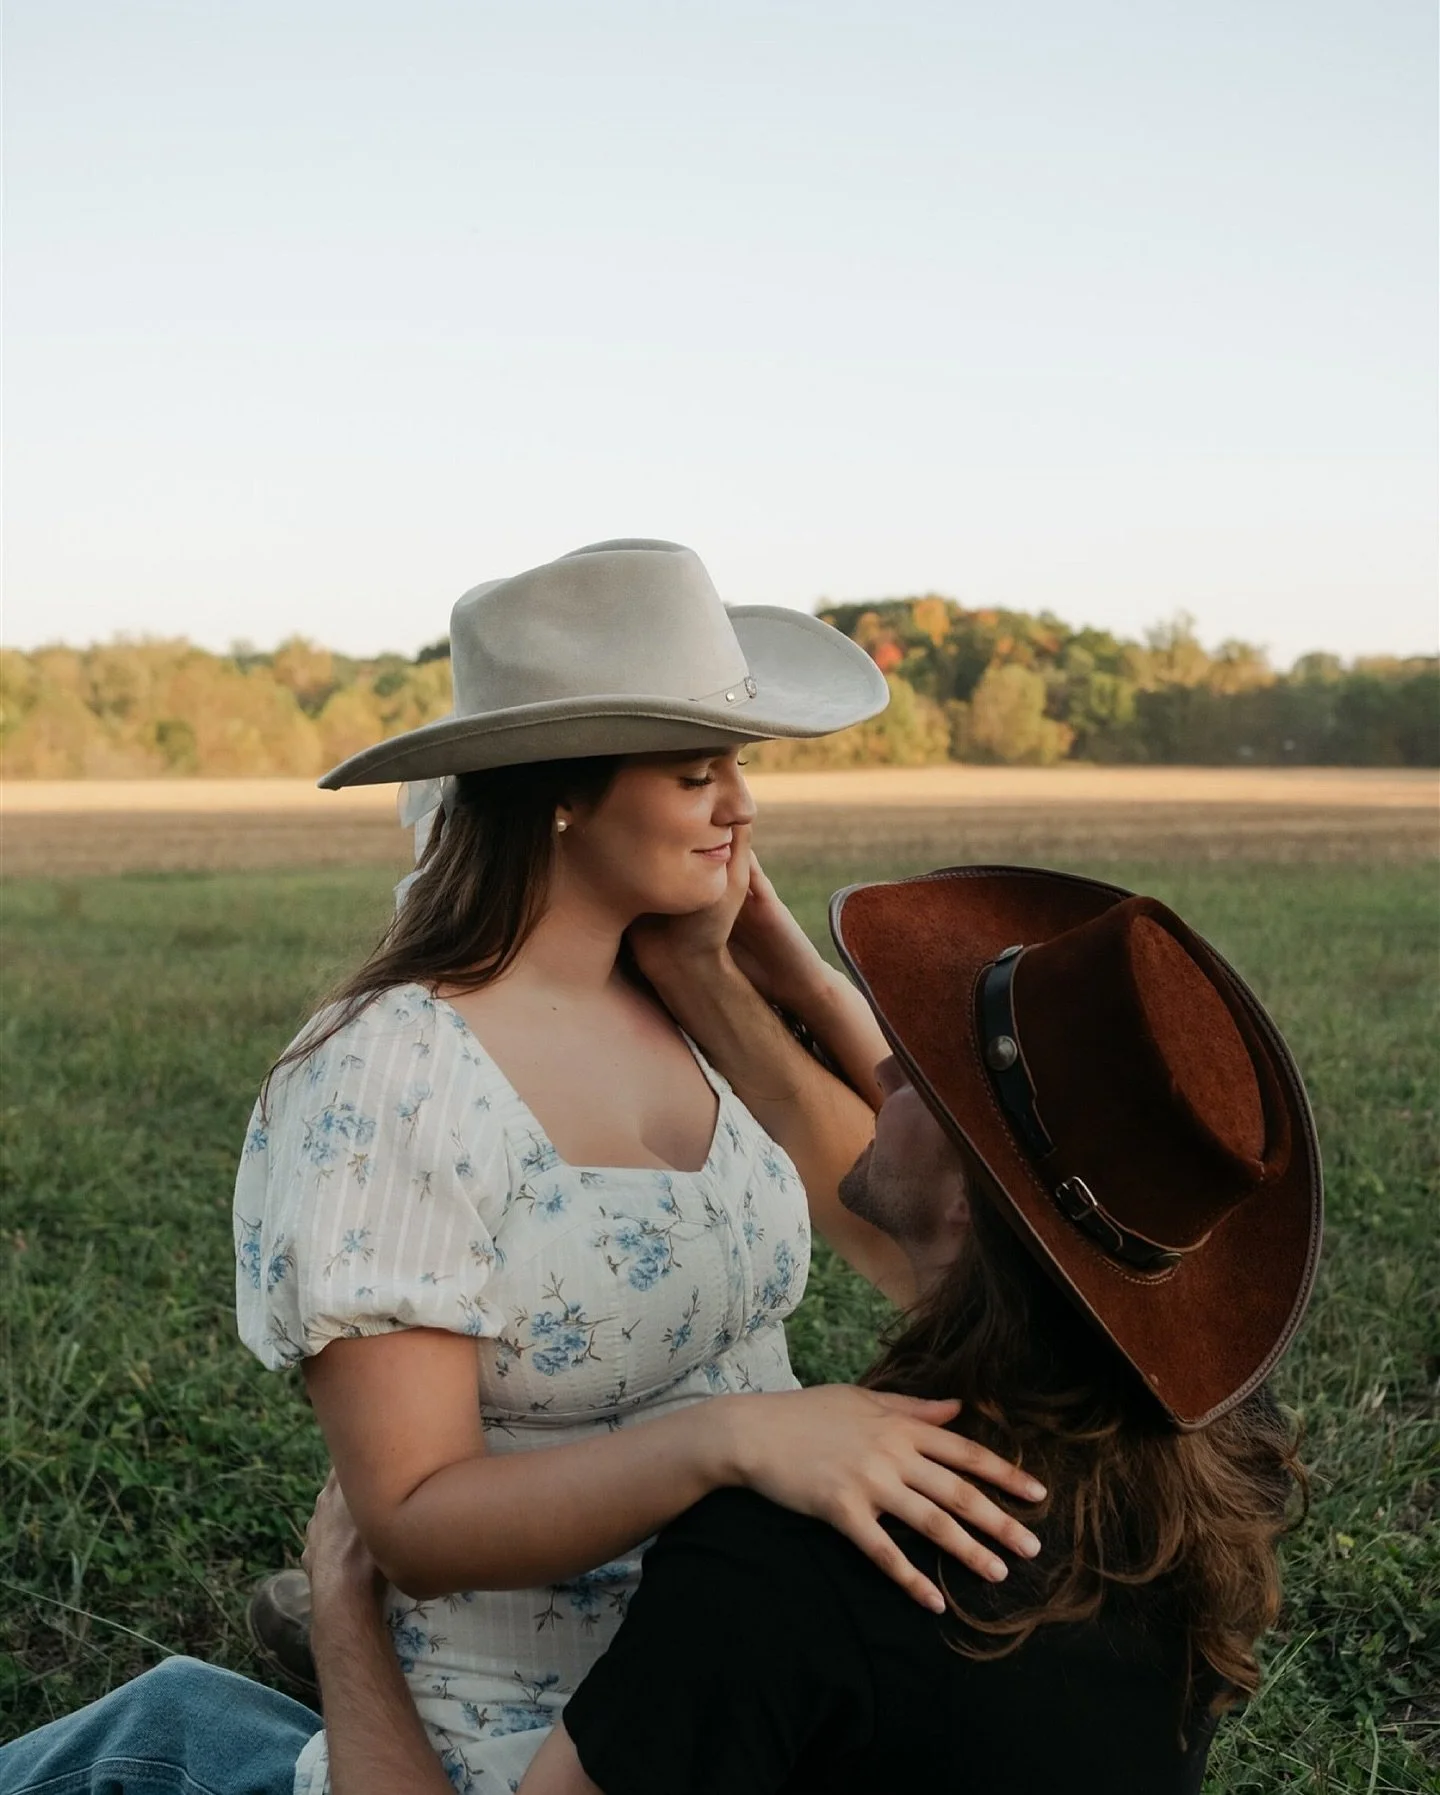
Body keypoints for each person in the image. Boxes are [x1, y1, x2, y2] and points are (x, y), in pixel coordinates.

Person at [0, 544, 1042, 1795]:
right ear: (559, 791)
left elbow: (919, 1226)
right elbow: (414, 1521)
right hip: (522, 1743)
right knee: (155, 1738)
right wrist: (738, 1439)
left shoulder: (684, 998)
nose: (742, 809)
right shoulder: (395, 1076)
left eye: (741, 767)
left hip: (748, 1686)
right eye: (697, 771)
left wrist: (777, 978)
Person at [137, 862, 1316, 1795]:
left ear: (964, 1206)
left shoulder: (777, 1573)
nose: (880, 1064)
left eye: (926, 1072)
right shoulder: (1196, 1480)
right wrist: (781, 978)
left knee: (167, 1724)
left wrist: (347, 1606)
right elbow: (935, 1208)